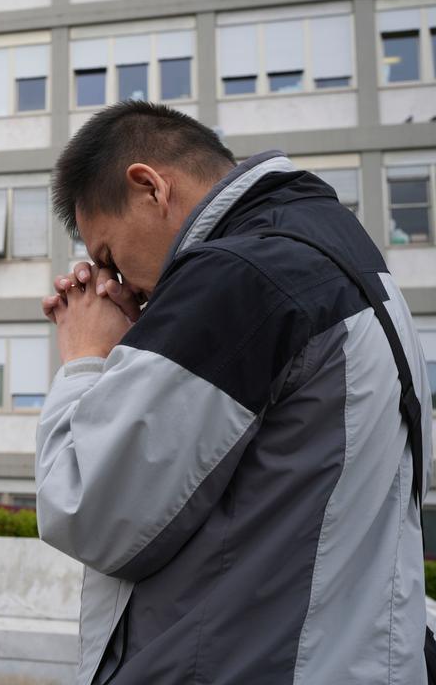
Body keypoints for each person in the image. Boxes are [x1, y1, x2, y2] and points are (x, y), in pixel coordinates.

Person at [36, 101, 431, 684]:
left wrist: (86, 359)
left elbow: (87, 510)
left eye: (109, 256)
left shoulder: (238, 278)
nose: (117, 284)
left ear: (149, 186)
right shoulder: (344, 259)